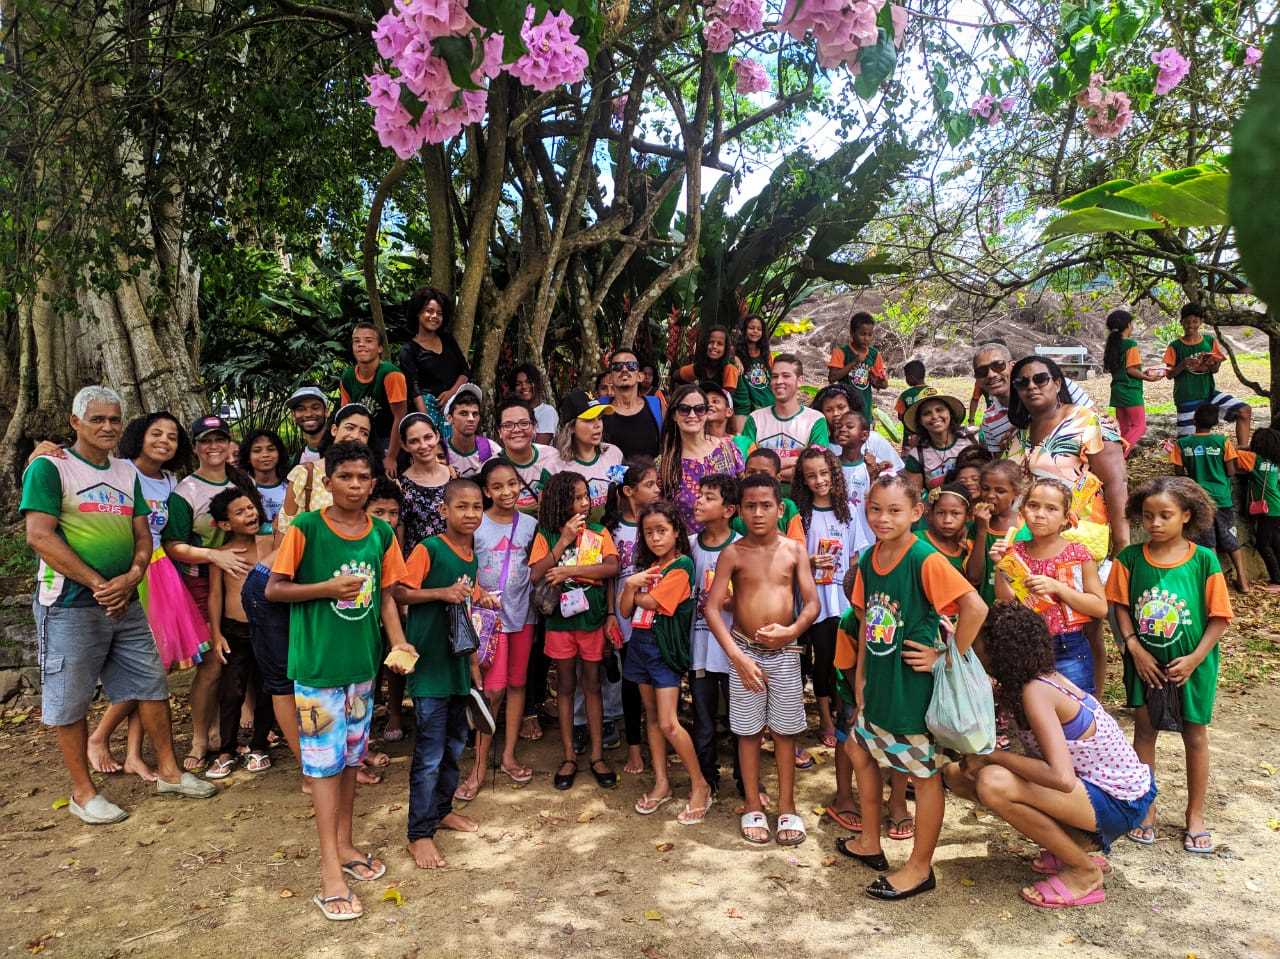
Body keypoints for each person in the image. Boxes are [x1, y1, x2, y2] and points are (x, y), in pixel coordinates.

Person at [22, 386, 216, 825]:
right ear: (75, 423)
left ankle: (169, 770)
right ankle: (83, 792)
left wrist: (131, 576)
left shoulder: (125, 473)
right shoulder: (51, 468)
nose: (107, 427)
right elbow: (40, 536)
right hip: (69, 604)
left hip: (124, 601)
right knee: (69, 699)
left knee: (150, 683)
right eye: (97, 420)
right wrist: (96, 583)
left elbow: (143, 534)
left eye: (114, 420)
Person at [266, 441, 414, 920]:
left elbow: (389, 595)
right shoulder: (306, 528)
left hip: (360, 670)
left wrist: (399, 642)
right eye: (345, 477)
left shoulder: (380, 535)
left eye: (363, 478)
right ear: (327, 483)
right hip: (317, 671)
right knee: (323, 770)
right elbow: (274, 588)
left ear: (373, 484)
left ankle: (346, 846)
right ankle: (330, 871)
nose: (355, 485)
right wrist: (326, 589)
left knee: (350, 760)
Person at [943, 603, 1155, 910]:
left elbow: (1061, 778)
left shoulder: (1037, 691)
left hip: (1120, 803)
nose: (974, 650)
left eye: (978, 644)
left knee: (992, 781)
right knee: (958, 775)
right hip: (1096, 796)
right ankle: (1068, 848)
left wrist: (993, 758)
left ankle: (1084, 871)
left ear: (1000, 652)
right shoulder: (1029, 683)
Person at [838, 474, 988, 900]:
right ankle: (870, 840)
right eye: (875, 509)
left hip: (912, 693)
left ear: (916, 513)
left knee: (924, 777)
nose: (882, 518)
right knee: (858, 749)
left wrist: (945, 656)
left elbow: (974, 608)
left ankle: (920, 868)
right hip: (881, 687)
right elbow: (868, 623)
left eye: (894, 510)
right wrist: (862, 678)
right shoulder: (870, 558)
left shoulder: (925, 559)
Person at [73, 412, 204, 781]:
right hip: (135, 573)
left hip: (163, 574)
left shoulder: (170, 480)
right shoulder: (118, 470)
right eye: (155, 433)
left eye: (173, 436)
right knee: (145, 667)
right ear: (138, 437)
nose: (164, 440)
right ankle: (99, 736)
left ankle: (132, 753)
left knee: (153, 669)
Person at [1108, 477, 1232, 854]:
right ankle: (1147, 808)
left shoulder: (1203, 559)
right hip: (1144, 665)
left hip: (1193, 666)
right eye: (1148, 516)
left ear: (1186, 516)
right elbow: (1119, 607)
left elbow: (1220, 617)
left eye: (1165, 515)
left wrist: (1195, 659)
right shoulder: (1128, 559)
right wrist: (1135, 650)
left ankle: (1196, 814)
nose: (1156, 523)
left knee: (1195, 735)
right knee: (1144, 732)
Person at [704, 473, 821, 847]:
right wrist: (736, 657)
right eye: (750, 506)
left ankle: (787, 806)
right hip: (746, 655)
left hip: (785, 654)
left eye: (766, 505)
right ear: (738, 510)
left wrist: (792, 631)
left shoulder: (794, 551)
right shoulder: (733, 553)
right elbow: (710, 608)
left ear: (780, 508)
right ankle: (753, 803)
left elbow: (812, 603)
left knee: (786, 733)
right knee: (748, 732)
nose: (758, 513)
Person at [396, 479, 499, 868]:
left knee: (455, 746)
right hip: (429, 667)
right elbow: (400, 592)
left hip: (457, 665)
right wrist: (442, 593)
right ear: (444, 511)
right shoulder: (429, 548)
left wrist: (477, 598)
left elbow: (464, 605)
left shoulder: (470, 553)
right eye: (462, 507)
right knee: (429, 753)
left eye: (477, 507)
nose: (471, 514)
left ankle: (441, 810)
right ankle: (418, 833)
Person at [163, 414, 257, 771]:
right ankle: (202, 736)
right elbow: (173, 544)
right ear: (196, 447)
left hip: (244, 577)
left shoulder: (241, 481)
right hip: (201, 582)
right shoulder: (186, 492)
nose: (213, 446)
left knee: (244, 655)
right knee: (213, 663)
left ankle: (236, 728)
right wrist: (213, 555)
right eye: (205, 440)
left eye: (220, 439)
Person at [621, 501, 713, 825]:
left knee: (669, 722)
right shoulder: (646, 568)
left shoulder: (682, 565)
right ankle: (662, 782)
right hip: (639, 645)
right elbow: (624, 610)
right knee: (651, 717)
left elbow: (659, 603)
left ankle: (700, 784)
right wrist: (631, 588)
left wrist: (634, 588)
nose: (656, 538)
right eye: (649, 532)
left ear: (676, 531)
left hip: (663, 651)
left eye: (662, 530)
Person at [529, 471, 621, 790]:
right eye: (577, 497)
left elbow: (612, 568)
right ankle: (569, 755)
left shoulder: (598, 531)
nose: (585, 503)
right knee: (566, 685)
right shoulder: (546, 534)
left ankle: (597, 755)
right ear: (560, 502)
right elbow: (536, 574)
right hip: (559, 621)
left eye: (586, 496)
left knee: (592, 684)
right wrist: (565, 541)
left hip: (592, 619)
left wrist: (571, 571)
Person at [455, 460, 539, 800]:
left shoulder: (530, 525)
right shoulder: (476, 526)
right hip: (488, 622)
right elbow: (464, 569)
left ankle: (507, 756)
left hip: (523, 617)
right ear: (487, 491)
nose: (507, 492)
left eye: (513, 484)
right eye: (498, 487)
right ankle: (477, 768)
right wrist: (479, 594)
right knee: (492, 691)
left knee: (518, 685)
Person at [1004, 355, 1130, 555]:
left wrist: (1122, 543)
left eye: (1040, 379)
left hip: (1076, 542)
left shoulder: (1086, 422)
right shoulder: (1019, 433)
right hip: (1026, 546)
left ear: (1057, 383)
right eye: (1022, 382)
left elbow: (1116, 482)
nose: (1031, 386)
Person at [992, 478, 1107, 693]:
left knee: (1075, 713)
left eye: (1051, 509)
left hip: (1068, 647)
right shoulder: (1015, 552)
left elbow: (1100, 607)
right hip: (1024, 646)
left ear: (1066, 518)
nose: (1040, 514)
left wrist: (1058, 588)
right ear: (1023, 511)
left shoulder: (1078, 554)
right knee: (1030, 717)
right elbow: (1006, 600)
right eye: (1033, 505)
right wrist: (1002, 566)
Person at [791, 448, 870, 748]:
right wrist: (810, 562)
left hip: (840, 599)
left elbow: (853, 560)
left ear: (834, 474)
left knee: (837, 659)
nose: (819, 480)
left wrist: (855, 600)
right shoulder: (802, 515)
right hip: (811, 600)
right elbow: (791, 558)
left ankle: (841, 713)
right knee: (817, 660)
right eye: (811, 475)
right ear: (803, 479)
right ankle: (822, 718)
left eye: (824, 473)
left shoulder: (847, 513)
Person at [206, 489, 275, 778]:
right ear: (224, 524)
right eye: (240, 512)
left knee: (266, 689)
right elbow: (215, 595)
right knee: (231, 690)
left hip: (268, 628)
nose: (250, 514)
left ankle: (260, 746)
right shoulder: (222, 554)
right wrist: (217, 633)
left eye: (251, 508)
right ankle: (227, 749)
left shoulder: (271, 543)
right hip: (235, 630)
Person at [602, 458, 662, 775]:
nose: (656, 489)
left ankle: (660, 742)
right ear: (628, 491)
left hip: (655, 607)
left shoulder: (659, 521)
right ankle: (635, 750)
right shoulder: (612, 528)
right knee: (631, 677)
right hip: (624, 612)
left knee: (657, 675)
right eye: (649, 484)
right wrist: (611, 613)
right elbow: (609, 576)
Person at [688, 474, 743, 800]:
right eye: (699, 495)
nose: (699, 501)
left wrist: (730, 601)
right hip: (699, 647)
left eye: (709, 497)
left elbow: (751, 597)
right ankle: (706, 780)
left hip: (733, 649)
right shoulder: (691, 545)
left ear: (728, 509)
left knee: (740, 719)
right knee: (703, 719)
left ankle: (745, 778)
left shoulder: (740, 547)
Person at [1171, 404, 1250, 592]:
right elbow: (1231, 471)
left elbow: (1179, 473)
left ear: (1194, 420)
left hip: (1198, 500)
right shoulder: (1223, 441)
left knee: (1208, 544)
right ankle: (1243, 580)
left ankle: (1218, 584)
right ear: (1215, 423)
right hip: (1222, 499)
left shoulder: (1182, 444)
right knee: (1231, 540)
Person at [971, 342, 1096, 455]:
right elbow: (1001, 465)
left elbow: (1098, 425)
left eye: (998, 365)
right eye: (981, 371)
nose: (991, 375)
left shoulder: (1055, 385)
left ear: (1012, 366)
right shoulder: (989, 421)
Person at [276, 404, 376, 539]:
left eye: (364, 433)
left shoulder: (371, 479)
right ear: (334, 430)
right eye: (350, 428)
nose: (356, 436)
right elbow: (285, 534)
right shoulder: (305, 474)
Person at [657, 383, 744, 532]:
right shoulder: (664, 464)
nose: (692, 415)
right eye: (684, 409)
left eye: (699, 409)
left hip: (732, 544)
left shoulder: (727, 448)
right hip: (688, 550)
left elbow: (745, 493)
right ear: (674, 415)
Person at [1164, 302, 1251, 444]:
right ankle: (1183, 465)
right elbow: (1169, 374)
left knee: (1244, 411)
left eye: (1195, 321)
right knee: (1187, 442)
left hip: (1209, 393)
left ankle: (1242, 453)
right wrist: (1183, 364)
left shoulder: (1209, 341)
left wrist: (1211, 364)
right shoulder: (1175, 346)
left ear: (1201, 322)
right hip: (1187, 397)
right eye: (1187, 322)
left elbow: (1215, 370)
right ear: (1181, 322)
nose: (1191, 325)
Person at [741, 353, 828, 488]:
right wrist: (796, 464)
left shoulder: (815, 420)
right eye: (775, 376)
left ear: (800, 380)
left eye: (786, 376)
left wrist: (768, 468)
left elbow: (816, 466)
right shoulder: (755, 419)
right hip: (761, 497)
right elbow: (747, 465)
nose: (779, 381)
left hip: (801, 498)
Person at [398, 286, 471, 436]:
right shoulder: (408, 350)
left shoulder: (448, 340)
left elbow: (465, 371)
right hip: (428, 409)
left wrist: (451, 393)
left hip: (456, 407)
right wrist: (428, 423)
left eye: (439, 313)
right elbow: (414, 389)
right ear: (418, 313)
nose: (434, 316)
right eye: (429, 311)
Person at [339, 321, 409, 476]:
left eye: (368, 341)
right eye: (357, 341)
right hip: (363, 435)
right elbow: (346, 416)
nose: (361, 345)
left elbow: (400, 417)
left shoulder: (391, 374)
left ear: (380, 348)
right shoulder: (347, 377)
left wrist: (391, 457)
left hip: (389, 437)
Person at [552, 390, 624, 521]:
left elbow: (621, 497)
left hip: (610, 535)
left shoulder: (613, 454)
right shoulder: (555, 466)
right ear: (571, 426)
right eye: (589, 420)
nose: (597, 425)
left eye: (600, 418)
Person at [966, 459, 1025, 607]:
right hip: (989, 609)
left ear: (1016, 492)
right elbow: (974, 577)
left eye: (1000, 491)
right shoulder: (977, 526)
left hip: (1022, 609)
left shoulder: (1026, 526)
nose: (991, 496)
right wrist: (981, 531)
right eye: (986, 488)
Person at [1103, 309, 1162, 453]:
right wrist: (1148, 377)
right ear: (1128, 325)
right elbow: (1130, 370)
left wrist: (1142, 372)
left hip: (1117, 391)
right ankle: (1117, 455)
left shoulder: (1112, 345)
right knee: (1139, 426)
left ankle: (1117, 458)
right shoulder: (1130, 344)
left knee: (1124, 428)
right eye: (1132, 324)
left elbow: (1123, 369)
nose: (1133, 327)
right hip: (1130, 390)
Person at [902, 389, 974, 502]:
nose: (935, 416)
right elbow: (915, 497)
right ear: (920, 421)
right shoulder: (917, 456)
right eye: (927, 413)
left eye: (939, 410)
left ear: (950, 413)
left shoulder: (969, 442)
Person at [817, 384, 905, 474]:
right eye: (829, 410)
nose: (836, 413)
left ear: (852, 408)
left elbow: (899, 471)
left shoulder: (873, 439)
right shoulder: (822, 446)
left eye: (841, 407)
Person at [398, 412, 454, 551]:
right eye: (414, 441)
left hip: (453, 560)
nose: (423, 445)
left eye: (428, 437)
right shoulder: (402, 486)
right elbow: (400, 533)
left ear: (437, 436)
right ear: (404, 445)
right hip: (417, 565)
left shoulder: (454, 476)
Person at [1237, 425, 1280, 592]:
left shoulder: (1254, 459)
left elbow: (1230, 453)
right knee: (1275, 543)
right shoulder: (1274, 463)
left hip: (1268, 510)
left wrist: (1244, 446)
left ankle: (1277, 580)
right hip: (1276, 507)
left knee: (1263, 544)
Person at [601, 347, 665, 460]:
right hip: (609, 477)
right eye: (617, 366)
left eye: (631, 366)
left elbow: (668, 444)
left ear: (640, 376)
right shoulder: (599, 408)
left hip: (649, 476)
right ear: (610, 378)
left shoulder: (657, 406)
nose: (624, 369)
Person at [731, 448, 804, 538]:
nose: (757, 477)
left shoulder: (788, 507)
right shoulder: (737, 520)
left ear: (778, 478)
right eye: (751, 472)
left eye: (765, 473)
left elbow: (798, 547)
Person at [827, 311, 887, 417]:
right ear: (852, 333)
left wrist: (880, 381)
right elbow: (832, 377)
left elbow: (883, 385)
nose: (866, 338)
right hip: (844, 409)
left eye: (870, 334)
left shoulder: (874, 355)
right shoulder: (841, 352)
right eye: (862, 334)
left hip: (865, 410)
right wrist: (855, 362)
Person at [444, 384, 502, 478]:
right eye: (463, 413)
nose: (471, 419)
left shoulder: (492, 450)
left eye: (475, 414)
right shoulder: (440, 452)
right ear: (450, 418)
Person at [733, 313, 775, 431]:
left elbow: (771, 378)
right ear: (744, 330)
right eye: (751, 328)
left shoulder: (766, 353)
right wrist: (735, 358)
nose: (755, 331)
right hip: (748, 406)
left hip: (769, 402)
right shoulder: (737, 354)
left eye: (759, 329)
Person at [920, 482, 972, 574]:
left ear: (968, 516)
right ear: (931, 514)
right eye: (941, 513)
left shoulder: (968, 548)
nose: (947, 520)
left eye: (955, 513)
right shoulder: (918, 541)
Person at [240, 429, 289, 525]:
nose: (265, 455)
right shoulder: (241, 489)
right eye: (257, 451)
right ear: (248, 457)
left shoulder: (291, 485)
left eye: (271, 449)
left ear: (279, 453)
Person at [676, 325, 740, 395]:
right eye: (711, 342)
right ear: (705, 344)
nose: (714, 346)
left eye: (719, 344)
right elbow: (676, 375)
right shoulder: (701, 366)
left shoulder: (730, 369)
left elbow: (726, 399)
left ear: (725, 349)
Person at [506, 362, 559, 444]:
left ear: (537, 384)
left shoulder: (546, 412)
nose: (524, 386)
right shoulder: (511, 412)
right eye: (518, 384)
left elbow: (539, 449)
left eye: (528, 382)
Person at [286, 385, 330, 466]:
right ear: (293, 416)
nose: (308, 414)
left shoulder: (342, 452)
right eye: (301, 409)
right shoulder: (295, 460)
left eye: (315, 408)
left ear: (326, 412)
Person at [894, 359, 930, 448]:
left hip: (909, 439)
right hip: (930, 436)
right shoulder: (933, 392)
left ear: (911, 377)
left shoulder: (905, 395)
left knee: (909, 459)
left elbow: (900, 416)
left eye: (906, 376)